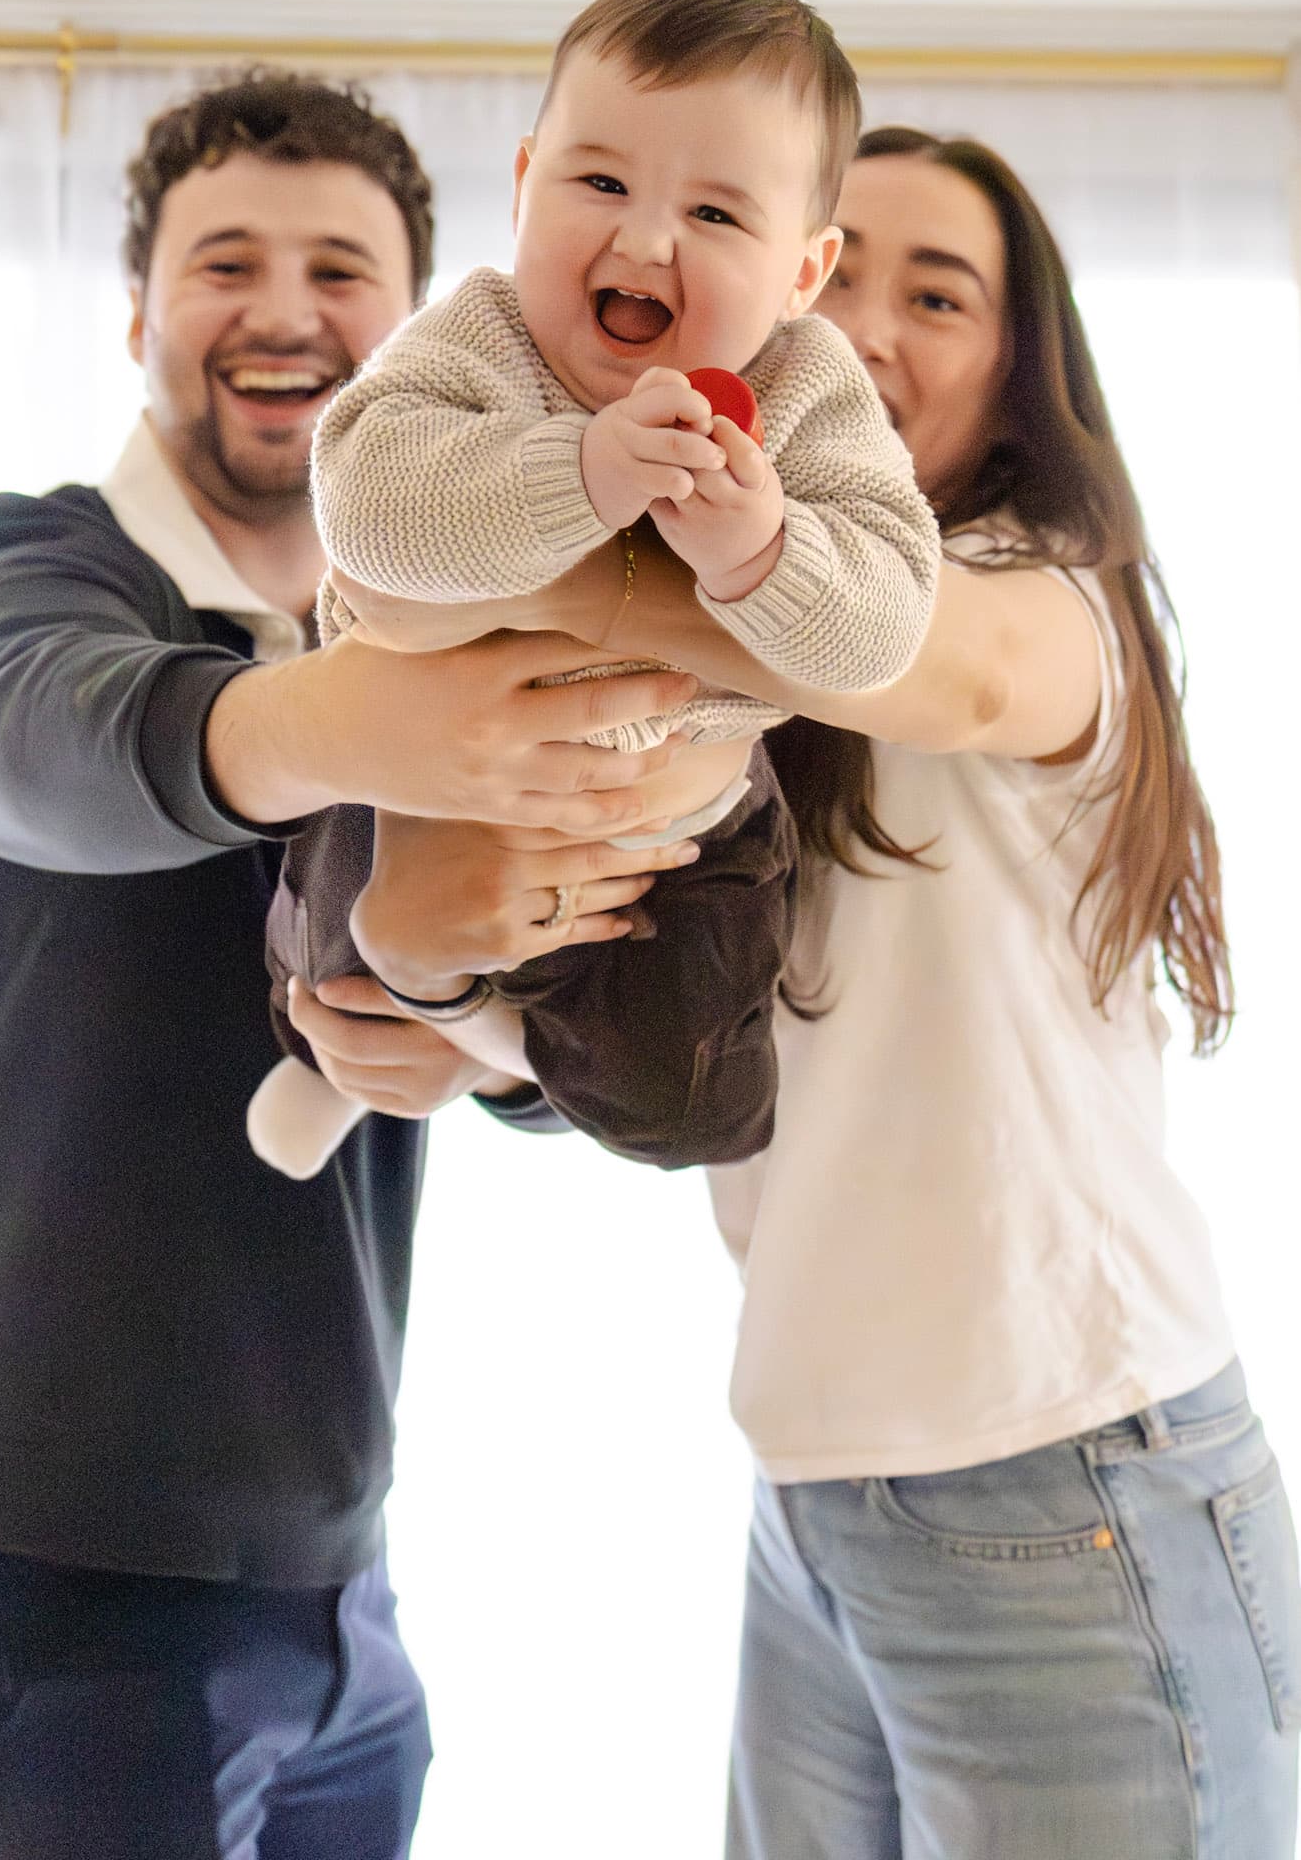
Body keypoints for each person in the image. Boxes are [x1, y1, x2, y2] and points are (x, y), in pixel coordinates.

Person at [331, 127, 1301, 1856]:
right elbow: (657, 1038)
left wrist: (413, 563)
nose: (859, 330)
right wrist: (426, 971)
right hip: (818, 1475)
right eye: (835, 277)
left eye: (934, 293)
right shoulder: (719, 710)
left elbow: (887, 648)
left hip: (1068, 1462)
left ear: (1018, 376)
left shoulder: (1049, 616)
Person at [0, 69, 715, 1860]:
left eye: (343, 269)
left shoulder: (458, 653)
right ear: (141, 315)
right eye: (225, 262)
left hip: (330, 1576)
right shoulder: (21, 573)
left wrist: (484, 1045)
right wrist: (347, 723)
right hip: (40, 1564)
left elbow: (543, 1006)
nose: (288, 310)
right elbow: (21, 735)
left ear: (423, 342)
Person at [247, 0, 941, 1176]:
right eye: (600, 180)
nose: (643, 235)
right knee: (325, 973)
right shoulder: (478, 335)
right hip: (418, 774)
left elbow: (883, 627)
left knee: (694, 1111)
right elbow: (364, 504)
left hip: (675, 822)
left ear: (800, 272)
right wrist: (579, 471)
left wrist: (760, 548)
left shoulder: (810, 393)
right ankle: (350, 1067)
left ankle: (484, 1042)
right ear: (523, 186)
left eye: (717, 215)